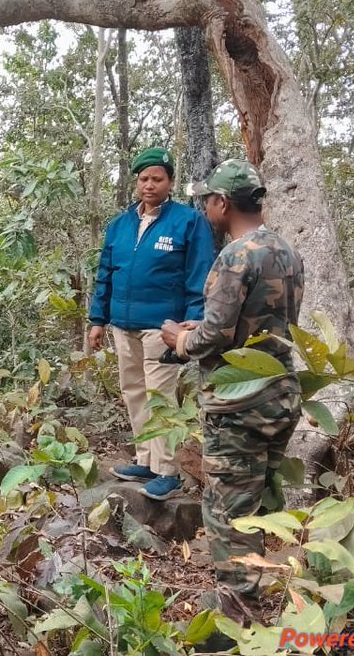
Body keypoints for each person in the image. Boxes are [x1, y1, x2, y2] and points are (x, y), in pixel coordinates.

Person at [160, 159, 305, 621]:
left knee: (225, 510)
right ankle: (252, 588)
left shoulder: (236, 255)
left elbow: (216, 337)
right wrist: (204, 324)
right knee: (255, 498)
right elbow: (260, 323)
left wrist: (181, 340)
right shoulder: (286, 251)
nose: (205, 210)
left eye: (208, 201)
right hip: (280, 394)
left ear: (222, 203)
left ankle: (235, 611)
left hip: (238, 402)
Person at [88, 147, 216, 500]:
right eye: (144, 178)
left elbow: (200, 272)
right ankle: (146, 459)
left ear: (170, 182)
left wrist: (194, 319)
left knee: (160, 395)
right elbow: (105, 274)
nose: (149, 185)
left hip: (164, 327)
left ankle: (167, 471)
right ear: (136, 182)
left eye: (157, 178)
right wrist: (97, 318)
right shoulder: (121, 225)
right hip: (122, 323)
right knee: (134, 391)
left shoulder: (188, 221)